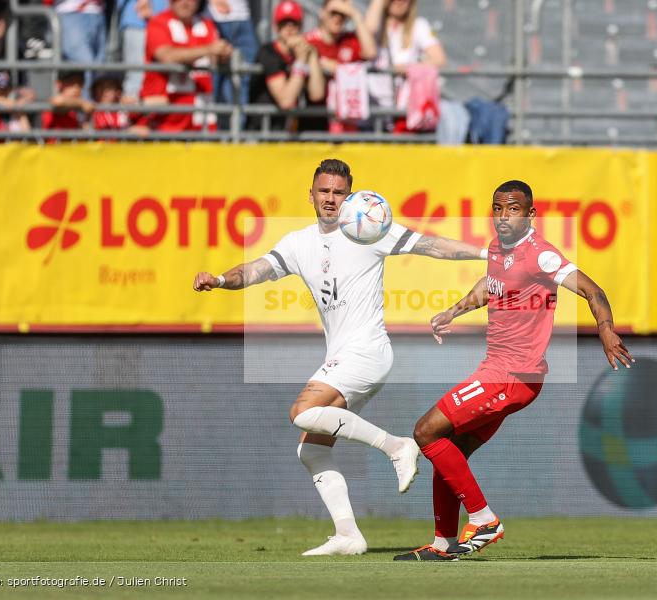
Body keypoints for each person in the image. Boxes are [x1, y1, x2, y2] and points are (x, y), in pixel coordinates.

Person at [193, 159, 488, 556]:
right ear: (311, 195)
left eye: (338, 192)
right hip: (343, 356)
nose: (330, 199)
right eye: (324, 191)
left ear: (349, 196)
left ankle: (397, 446)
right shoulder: (298, 243)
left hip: (366, 351)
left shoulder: (369, 229)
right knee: (311, 448)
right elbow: (256, 270)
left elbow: (432, 245)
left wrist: (486, 253)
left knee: (301, 410)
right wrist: (220, 279)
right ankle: (348, 535)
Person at [394, 180, 634, 561]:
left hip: (513, 375)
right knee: (448, 451)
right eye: (498, 209)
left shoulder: (540, 255)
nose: (503, 217)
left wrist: (606, 331)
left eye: (513, 209)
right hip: (498, 371)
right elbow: (489, 287)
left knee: (425, 431)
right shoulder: (496, 248)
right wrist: (452, 312)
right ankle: (443, 545)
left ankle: (485, 520)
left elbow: (594, 291)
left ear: (530, 214)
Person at [139, 0, 233, 131]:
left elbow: (215, 59)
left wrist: (224, 54)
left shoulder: (206, 24)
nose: (184, 3)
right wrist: (209, 49)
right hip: (163, 122)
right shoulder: (158, 22)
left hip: (201, 120)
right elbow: (167, 56)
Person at [364, 0, 445, 129]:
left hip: (403, 109)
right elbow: (368, 30)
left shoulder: (419, 25)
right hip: (374, 104)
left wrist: (410, 68)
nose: (399, 2)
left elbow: (439, 59)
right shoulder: (376, 23)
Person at [247, 0, 325, 132]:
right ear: (276, 27)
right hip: (262, 134)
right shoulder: (268, 52)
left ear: (300, 26)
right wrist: (300, 61)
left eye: (293, 23)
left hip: (288, 135)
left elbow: (317, 94)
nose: (289, 28)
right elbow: (286, 101)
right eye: (284, 23)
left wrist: (311, 55)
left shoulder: (303, 52)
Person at [303, 0, 376, 131]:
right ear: (322, 13)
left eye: (342, 14)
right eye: (333, 13)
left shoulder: (350, 40)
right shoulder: (309, 41)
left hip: (346, 121)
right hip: (316, 117)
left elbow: (370, 52)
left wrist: (355, 15)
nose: (337, 18)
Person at [207, 0, 258, 127]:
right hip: (214, 17)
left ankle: (236, 135)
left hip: (244, 18)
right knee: (214, 83)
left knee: (243, 82)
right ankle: (218, 135)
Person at [116, 0, 168, 99]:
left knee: (160, 77)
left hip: (166, 21)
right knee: (136, 75)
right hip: (139, 22)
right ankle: (131, 110)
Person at [53, 0, 106, 90]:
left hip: (98, 12)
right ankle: (85, 102)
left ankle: (90, 102)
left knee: (99, 67)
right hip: (71, 13)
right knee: (85, 65)